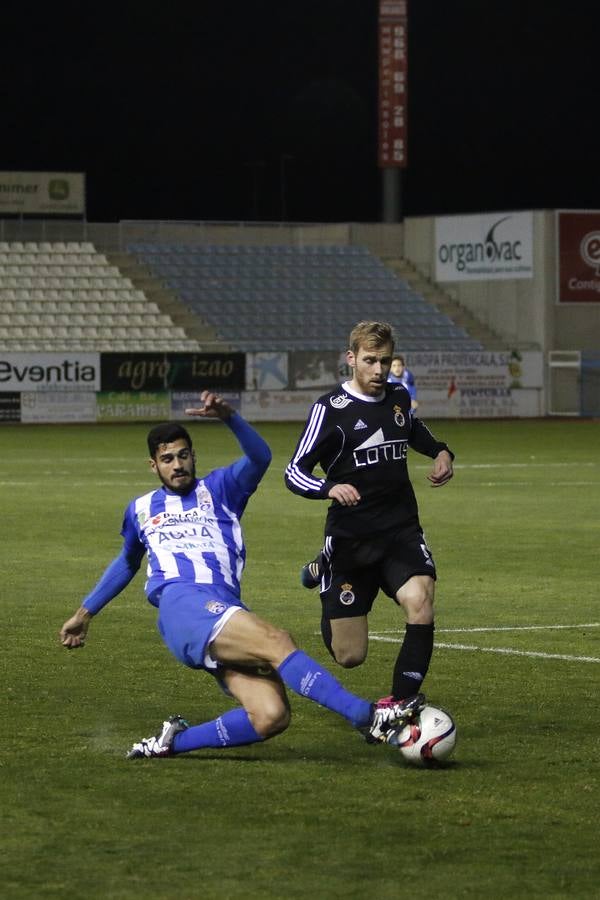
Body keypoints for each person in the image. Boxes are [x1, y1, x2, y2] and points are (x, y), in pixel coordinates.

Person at [59, 390, 417, 758]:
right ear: (154, 465)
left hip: (221, 606)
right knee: (277, 641)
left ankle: (171, 743)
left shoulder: (220, 489)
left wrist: (229, 416)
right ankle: (368, 716)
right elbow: (127, 561)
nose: (177, 464)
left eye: (183, 455)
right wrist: (85, 613)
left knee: (270, 715)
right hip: (182, 603)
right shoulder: (140, 509)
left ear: (193, 456)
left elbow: (261, 457)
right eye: (167, 459)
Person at [284, 321, 454, 712]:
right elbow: (293, 471)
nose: (379, 370)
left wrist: (442, 452)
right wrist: (328, 488)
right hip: (352, 541)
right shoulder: (329, 411)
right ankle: (324, 568)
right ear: (351, 359)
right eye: (370, 361)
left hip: (400, 532)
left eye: (385, 360)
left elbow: (413, 429)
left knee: (421, 601)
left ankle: (400, 702)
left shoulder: (397, 396)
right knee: (350, 655)